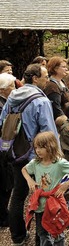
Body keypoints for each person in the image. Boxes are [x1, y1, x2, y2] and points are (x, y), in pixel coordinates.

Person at [0, 63, 57, 245]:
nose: (47, 80)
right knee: (41, 197)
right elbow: (49, 132)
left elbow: (2, 122)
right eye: (45, 76)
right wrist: (55, 155)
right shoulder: (41, 101)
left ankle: (18, 236)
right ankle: (41, 240)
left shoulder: (12, 97)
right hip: (38, 156)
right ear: (35, 78)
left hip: (16, 154)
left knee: (18, 194)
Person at [22, 131, 69, 246]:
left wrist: (66, 185)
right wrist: (29, 180)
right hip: (40, 205)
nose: (38, 150)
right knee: (42, 233)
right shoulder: (35, 163)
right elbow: (24, 170)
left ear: (50, 146)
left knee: (58, 232)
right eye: (36, 147)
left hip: (54, 205)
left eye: (41, 147)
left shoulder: (59, 163)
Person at [0, 73, 16, 228]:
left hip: (5, 149)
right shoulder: (2, 105)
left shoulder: (7, 102)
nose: (15, 89)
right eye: (12, 86)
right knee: (5, 184)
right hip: (2, 151)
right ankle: (3, 216)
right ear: (3, 89)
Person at [43, 57, 69, 126]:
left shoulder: (61, 82)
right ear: (55, 69)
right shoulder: (52, 86)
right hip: (61, 123)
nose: (66, 69)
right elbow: (56, 109)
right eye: (63, 67)